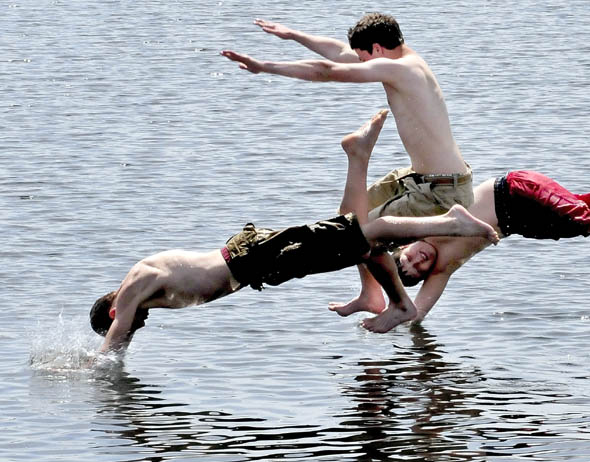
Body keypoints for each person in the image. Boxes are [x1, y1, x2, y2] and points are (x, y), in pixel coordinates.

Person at [90, 112, 499, 355]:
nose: (137, 327)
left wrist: (91, 366)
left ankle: (444, 221)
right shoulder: (143, 290)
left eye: (128, 322)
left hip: (251, 258)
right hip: (256, 264)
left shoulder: (135, 285)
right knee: (354, 237)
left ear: (112, 311)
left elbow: (117, 336)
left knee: (360, 234)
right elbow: (123, 333)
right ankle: (392, 298)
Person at [221, 13, 475, 315]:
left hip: (441, 191)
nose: (358, 61)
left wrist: (264, 67)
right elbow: (339, 53)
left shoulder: (403, 70)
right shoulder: (399, 62)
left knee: (357, 234)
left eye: (363, 56)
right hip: (421, 177)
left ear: (377, 49)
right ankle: (370, 294)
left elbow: (328, 70)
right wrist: (292, 35)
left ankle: (397, 304)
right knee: (348, 216)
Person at [333, 170, 590, 322]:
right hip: (517, 220)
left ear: (404, 247)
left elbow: (367, 243)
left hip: (514, 191)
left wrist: (364, 298)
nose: (418, 262)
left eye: (409, 259)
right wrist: (390, 319)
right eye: (417, 271)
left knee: (587, 221)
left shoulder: (426, 222)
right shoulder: (443, 270)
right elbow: (416, 311)